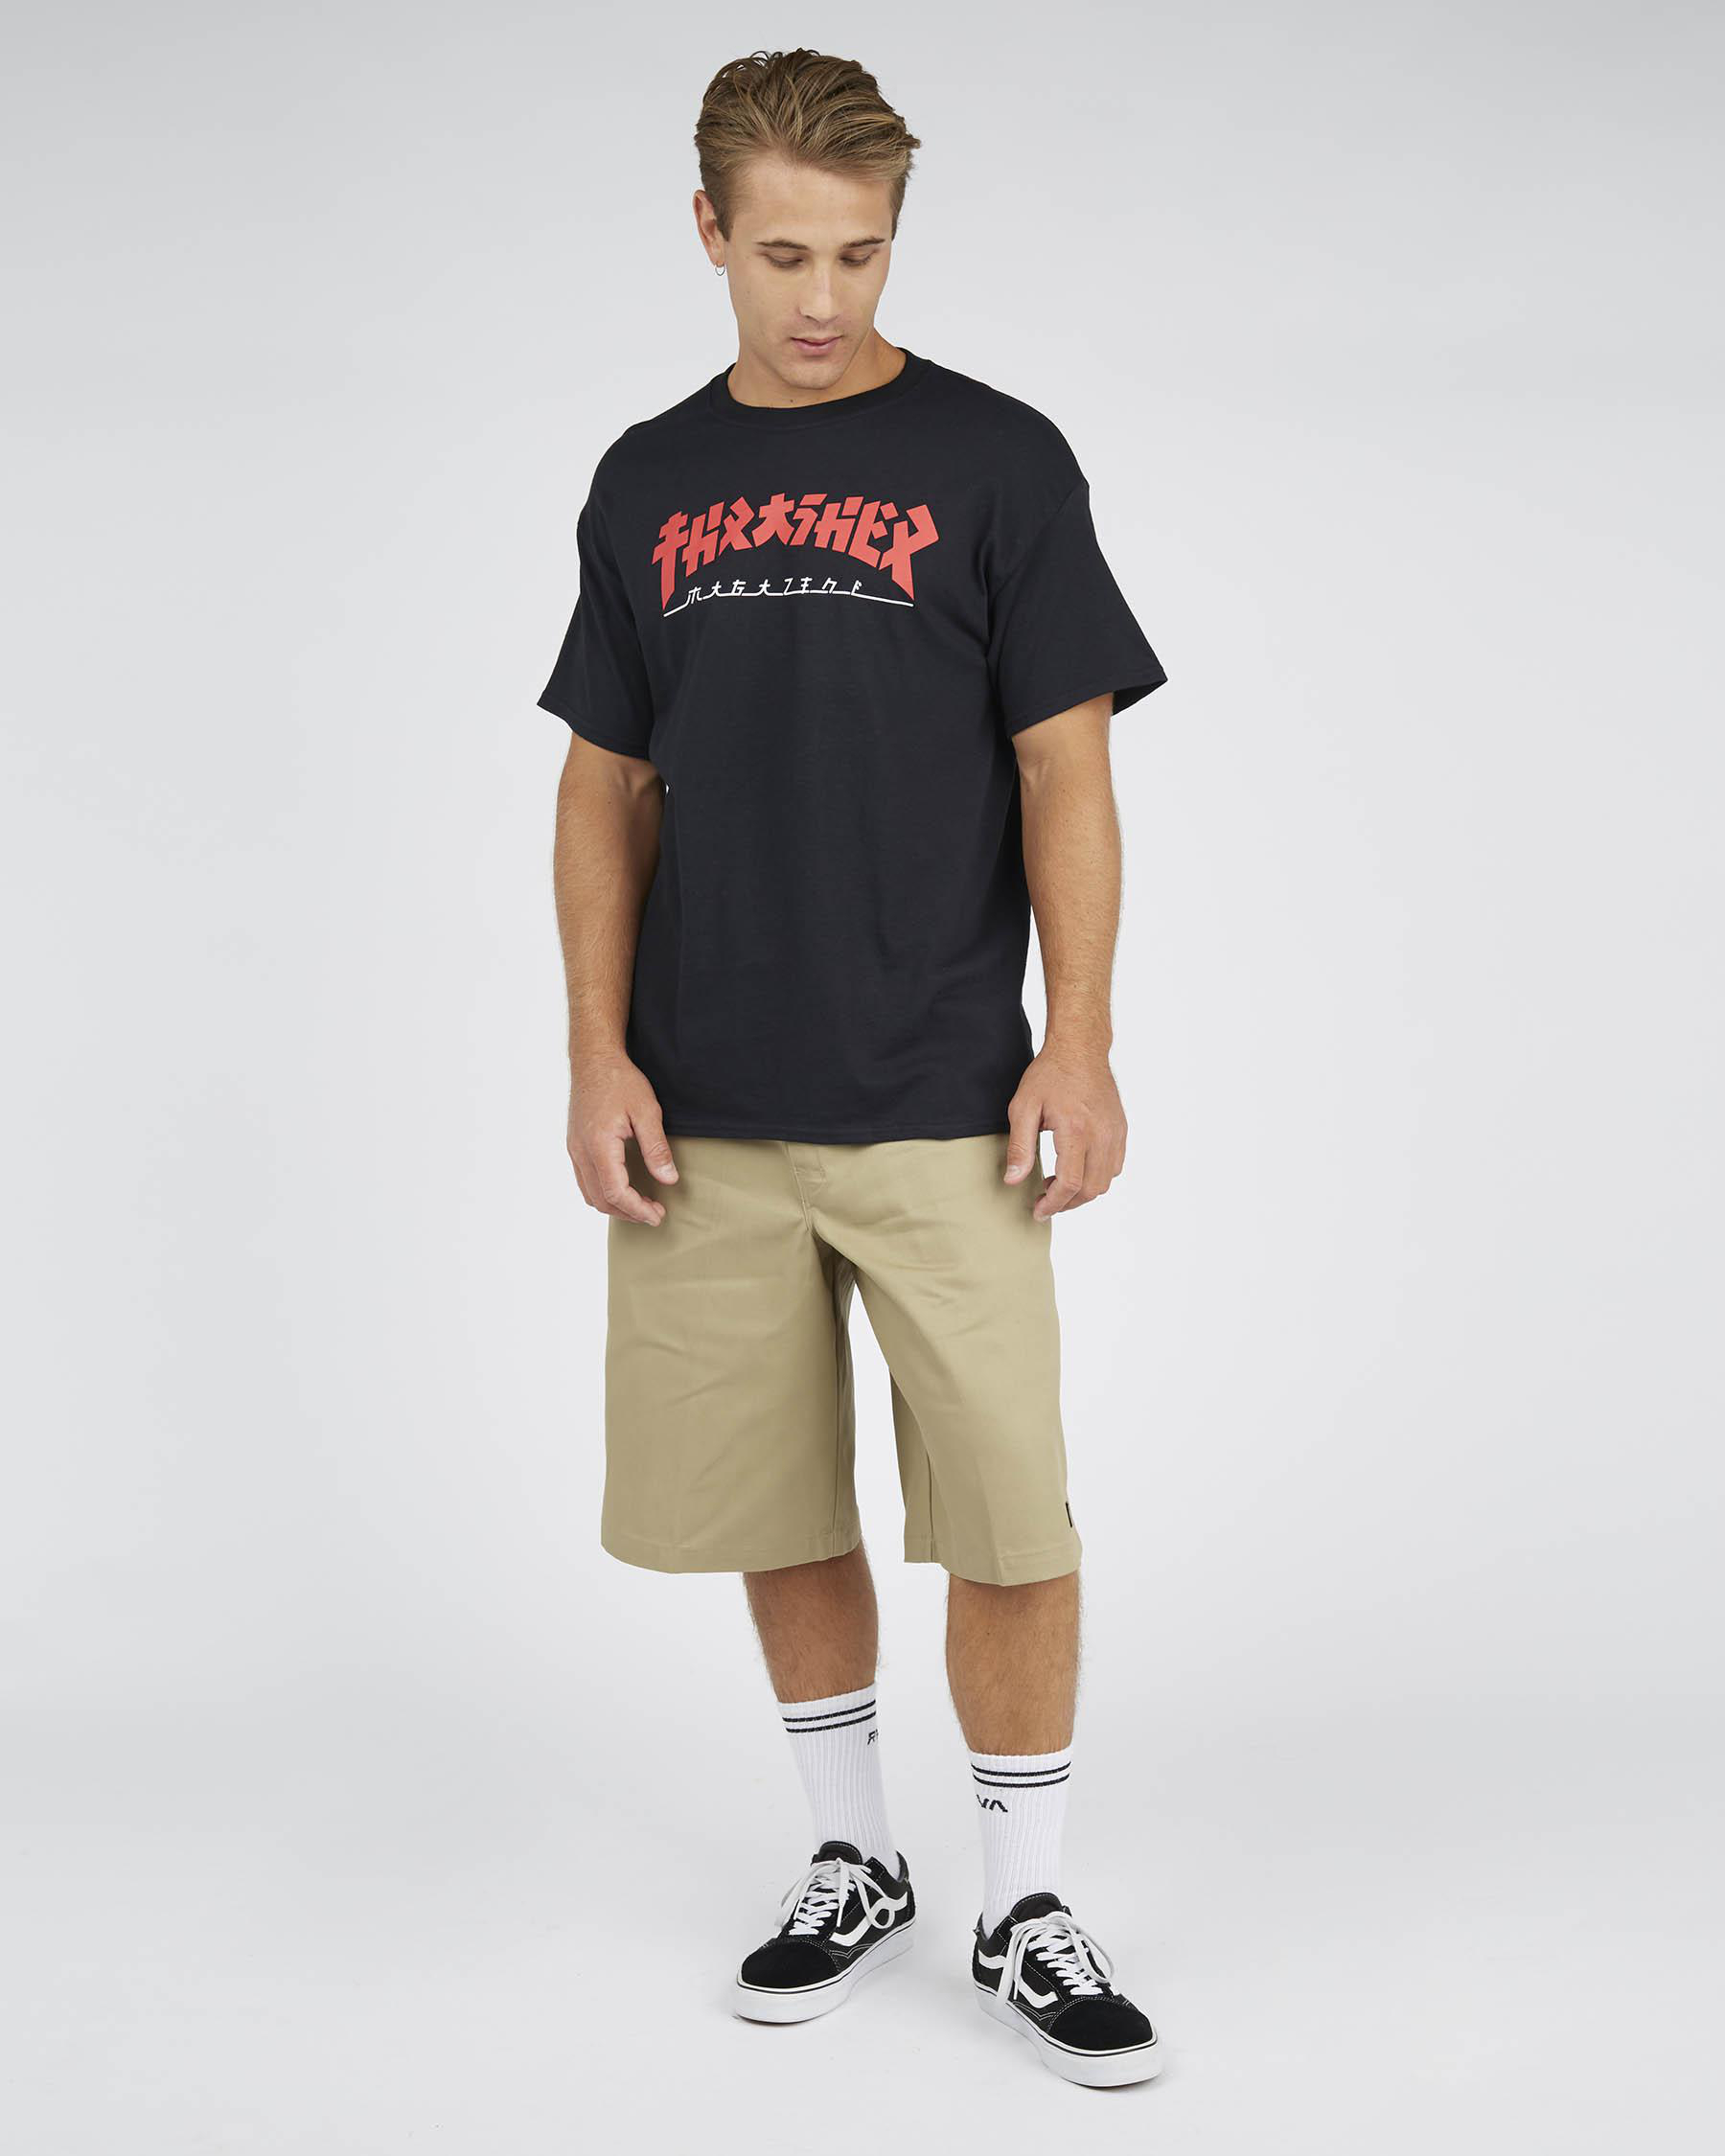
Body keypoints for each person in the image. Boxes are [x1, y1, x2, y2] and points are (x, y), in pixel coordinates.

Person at [537, 48, 1168, 2088]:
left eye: (864, 254)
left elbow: (1066, 769)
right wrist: (595, 1053)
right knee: (775, 1493)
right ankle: (853, 1858)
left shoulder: (996, 459)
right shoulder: (645, 479)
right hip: (703, 1103)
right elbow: (605, 786)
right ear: (708, 231)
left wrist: (1080, 1039)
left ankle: (1024, 1899)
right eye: (786, 254)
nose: (824, 298)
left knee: (1008, 1511)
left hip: (943, 1095)